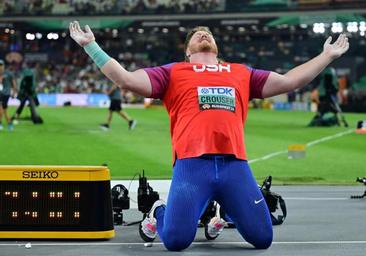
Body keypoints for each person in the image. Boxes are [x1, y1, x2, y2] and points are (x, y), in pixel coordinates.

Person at [69, 21, 349, 251]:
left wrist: (327, 56)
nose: (204, 33)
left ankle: (219, 213)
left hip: (234, 165)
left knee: (263, 239)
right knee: (177, 241)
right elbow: (126, 79)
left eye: (209, 34)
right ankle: (157, 211)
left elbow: (290, 81)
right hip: (193, 166)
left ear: (216, 47)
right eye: (196, 35)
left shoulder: (241, 73)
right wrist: (91, 46)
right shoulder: (173, 72)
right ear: (187, 52)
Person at [0, 59, 17, 131]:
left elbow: (14, 84)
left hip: (5, 94)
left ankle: (2, 124)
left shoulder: (8, 74)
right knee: (4, 110)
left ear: (3, 66)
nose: (0, 67)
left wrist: (14, 92)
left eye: (1, 65)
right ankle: (10, 124)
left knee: (2, 109)